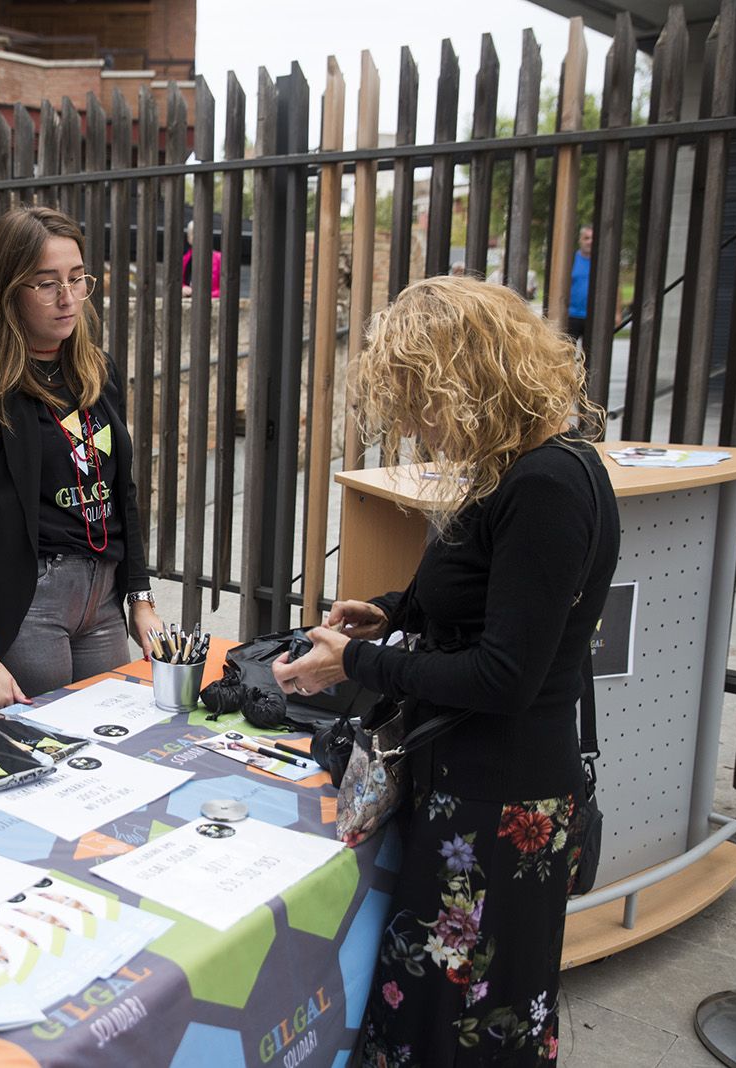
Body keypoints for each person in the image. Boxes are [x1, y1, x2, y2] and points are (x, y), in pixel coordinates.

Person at [273, 276, 619, 1064]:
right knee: (442, 1004)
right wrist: (394, 612)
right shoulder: (517, 468)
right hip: (479, 786)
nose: (415, 425)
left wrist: (355, 664)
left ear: (466, 380)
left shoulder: (547, 484)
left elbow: (505, 675)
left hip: (501, 799)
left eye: (418, 400)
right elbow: (489, 598)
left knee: (466, 1022)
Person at [0, 205, 164, 707]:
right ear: (9, 289)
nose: (68, 298)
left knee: (110, 743)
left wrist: (139, 598)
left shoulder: (96, 370)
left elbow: (122, 495)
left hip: (102, 600)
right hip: (29, 603)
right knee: (42, 755)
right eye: (46, 283)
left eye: (78, 280)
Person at [181, 220, 222, 298]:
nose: (198, 236)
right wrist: (183, 288)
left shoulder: (220, 259)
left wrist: (202, 296)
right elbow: (178, 283)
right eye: (194, 233)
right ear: (189, 238)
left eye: (202, 232)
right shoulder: (184, 260)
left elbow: (226, 289)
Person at [567, 225, 593, 346]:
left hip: (594, 315)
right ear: (580, 240)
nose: (590, 242)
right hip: (572, 315)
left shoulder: (603, 261)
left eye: (592, 238)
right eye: (586, 238)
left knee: (591, 354)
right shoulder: (570, 260)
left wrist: (617, 313)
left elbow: (616, 288)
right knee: (566, 351)